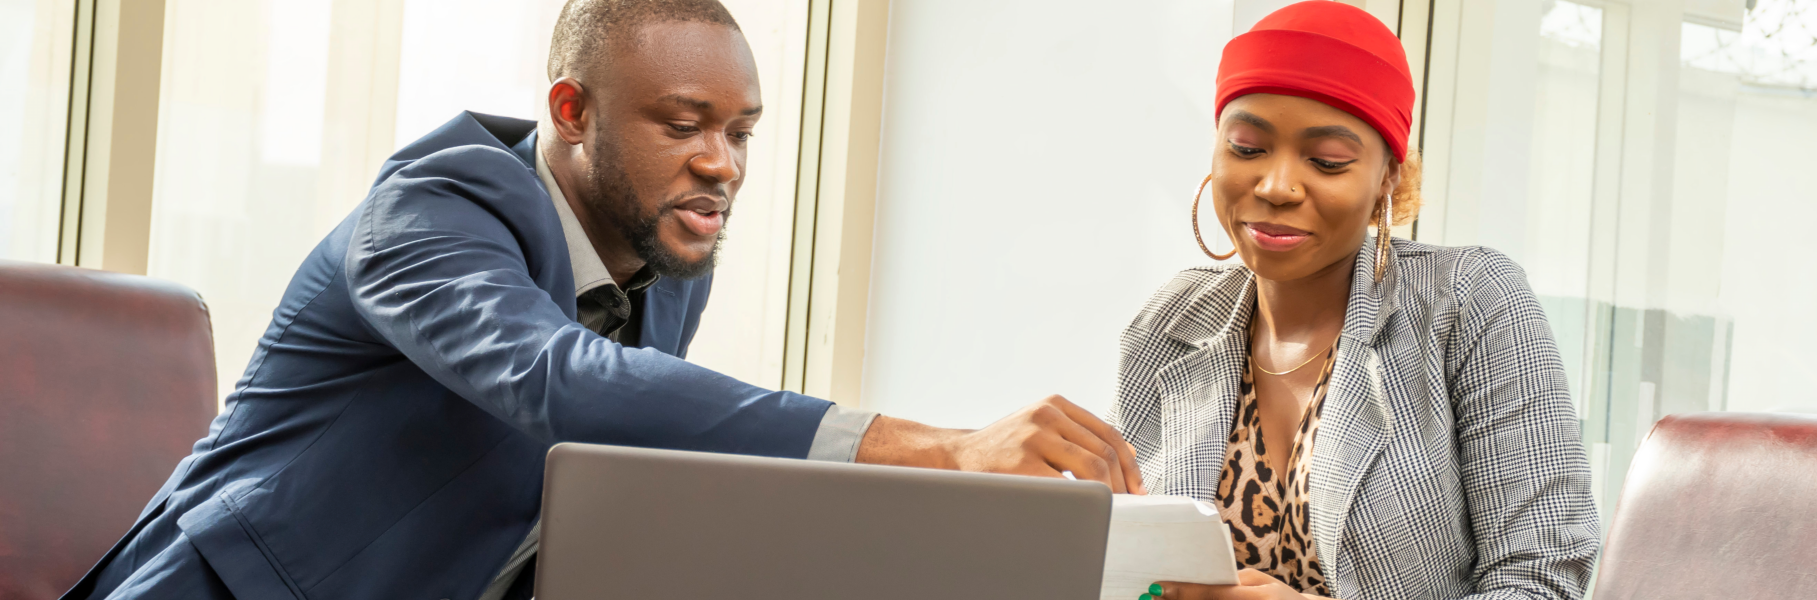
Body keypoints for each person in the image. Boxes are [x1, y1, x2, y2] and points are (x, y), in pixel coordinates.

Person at [61, 2, 1140, 599]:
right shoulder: (429, 211)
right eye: (683, 123)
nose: (722, 163)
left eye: (741, 131)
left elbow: (615, 474)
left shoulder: (664, 258)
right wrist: (944, 448)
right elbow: (562, 384)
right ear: (571, 110)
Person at [1108, 3, 1600, 600]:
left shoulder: (1468, 300)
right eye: (1246, 147)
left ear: (1388, 178)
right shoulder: (1171, 321)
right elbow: (1124, 559)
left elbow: (1544, 575)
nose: (1277, 186)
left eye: (1327, 161)